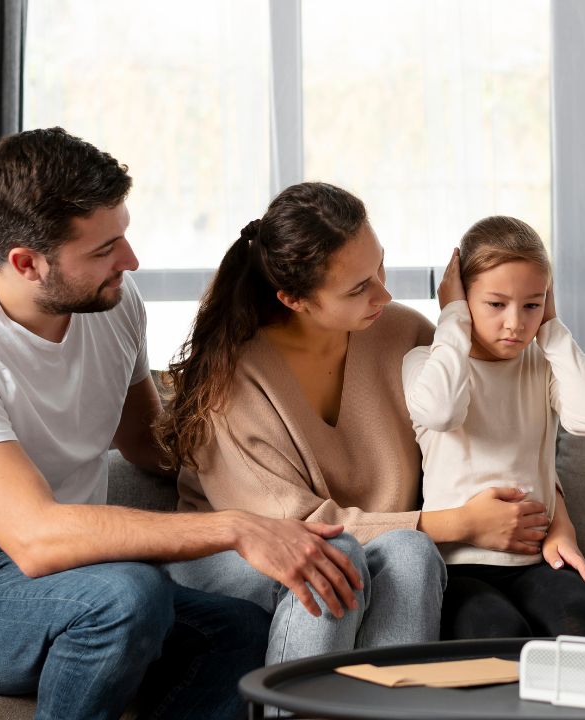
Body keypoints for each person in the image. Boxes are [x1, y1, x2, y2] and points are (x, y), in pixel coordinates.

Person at [0, 128, 361, 720]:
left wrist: (271, 458)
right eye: (104, 249)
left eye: (125, 235)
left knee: (238, 628)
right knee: (126, 594)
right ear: (27, 263)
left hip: (84, 574)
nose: (130, 261)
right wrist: (238, 527)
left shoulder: (113, 307)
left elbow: (147, 444)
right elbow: (34, 539)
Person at [158, 184, 552, 662]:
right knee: (338, 558)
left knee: (412, 553)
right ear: (295, 299)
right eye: (358, 287)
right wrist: (461, 523)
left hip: (382, 542)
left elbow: (506, 428)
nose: (384, 292)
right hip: (244, 554)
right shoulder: (233, 379)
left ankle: (388, 709)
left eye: (379, 266)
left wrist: (561, 521)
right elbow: (296, 530)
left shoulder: (402, 333)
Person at [402, 216, 585, 639]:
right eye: (496, 304)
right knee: (498, 634)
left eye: (532, 305)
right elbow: (442, 413)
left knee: (582, 621)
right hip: (457, 566)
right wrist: (452, 319)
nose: (516, 322)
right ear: (463, 299)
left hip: (536, 560)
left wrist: (552, 330)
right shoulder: (425, 364)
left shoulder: (542, 365)